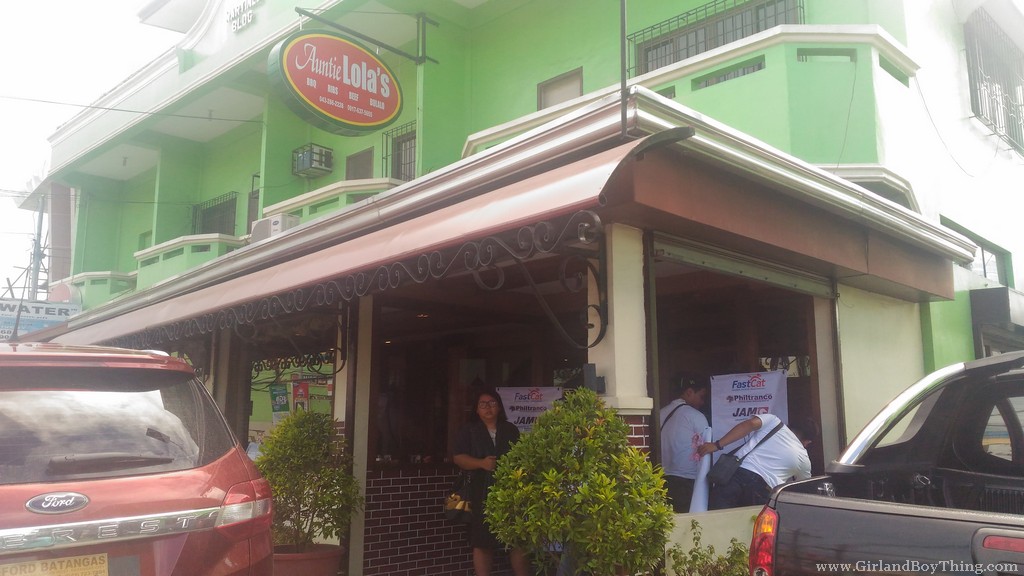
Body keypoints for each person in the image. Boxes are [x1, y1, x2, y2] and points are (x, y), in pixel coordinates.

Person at [453, 389, 530, 576]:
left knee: (517, 540)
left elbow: (521, 456)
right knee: (482, 542)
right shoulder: (469, 430)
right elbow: (458, 458)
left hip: (510, 491)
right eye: (483, 404)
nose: (488, 407)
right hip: (480, 492)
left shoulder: (510, 429)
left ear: (499, 407)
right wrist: (481, 463)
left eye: (492, 403)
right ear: (476, 409)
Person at [697, 414, 816, 509]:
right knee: (749, 530)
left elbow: (750, 424)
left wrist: (717, 445)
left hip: (736, 475)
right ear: (808, 442)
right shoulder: (804, 459)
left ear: (790, 424)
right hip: (762, 491)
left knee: (716, 521)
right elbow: (803, 488)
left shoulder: (774, 422)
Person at [659, 376, 710, 512]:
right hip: (686, 478)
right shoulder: (696, 416)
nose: (702, 402)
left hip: (661, 476)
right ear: (689, 392)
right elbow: (706, 447)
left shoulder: (660, 413)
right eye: (701, 397)